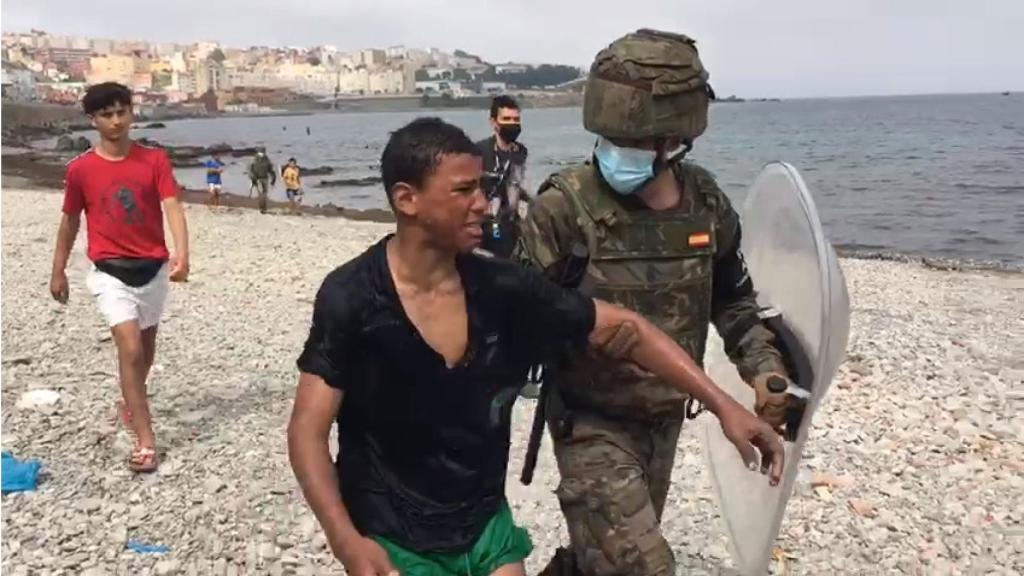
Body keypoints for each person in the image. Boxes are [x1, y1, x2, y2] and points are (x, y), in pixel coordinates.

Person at [287, 117, 784, 576]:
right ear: (406, 199)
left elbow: (628, 330)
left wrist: (723, 407)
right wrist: (346, 541)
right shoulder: (351, 296)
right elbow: (308, 432)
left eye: (481, 187)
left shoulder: (503, 288)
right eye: (463, 191)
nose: (482, 203)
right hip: (393, 535)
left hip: (485, 528)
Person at [517, 29, 794, 576]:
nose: (619, 153)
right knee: (642, 566)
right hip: (589, 419)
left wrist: (765, 369)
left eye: (637, 143)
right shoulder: (561, 209)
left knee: (603, 556)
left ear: (675, 140)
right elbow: (516, 317)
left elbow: (735, 301)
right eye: (611, 138)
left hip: (666, 418)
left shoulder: (707, 203)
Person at [48, 82, 190, 473]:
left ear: (132, 112)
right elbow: (70, 221)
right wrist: (58, 269)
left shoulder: (154, 160)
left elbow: (173, 206)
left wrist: (183, 254)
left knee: (145, 352)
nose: (115, 121)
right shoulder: (79, 170)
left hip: (153, 269)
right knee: (129, 350)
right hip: (109, 272)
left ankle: (129, 403)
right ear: (92, 120)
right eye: (106, 115)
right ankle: (146, 440)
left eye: (121, 112)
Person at [476, 95, 529, 259]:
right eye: (506, 118)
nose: (512, 124)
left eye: (516, 119)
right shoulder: (480, 151)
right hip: (487, 222)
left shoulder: (521, 152)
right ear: (494, 122)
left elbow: (521, 183)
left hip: (512, 220)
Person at [247, 149, 276, 213]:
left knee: (262, 194)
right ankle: (263, 208)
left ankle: (263, 208)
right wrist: (273, 179)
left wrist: (253, 178)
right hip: (260, 179)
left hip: (261, 179)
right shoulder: (265, 159)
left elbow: (249, 170)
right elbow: (271, 170)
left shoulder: (255, 159)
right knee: (263, 194)